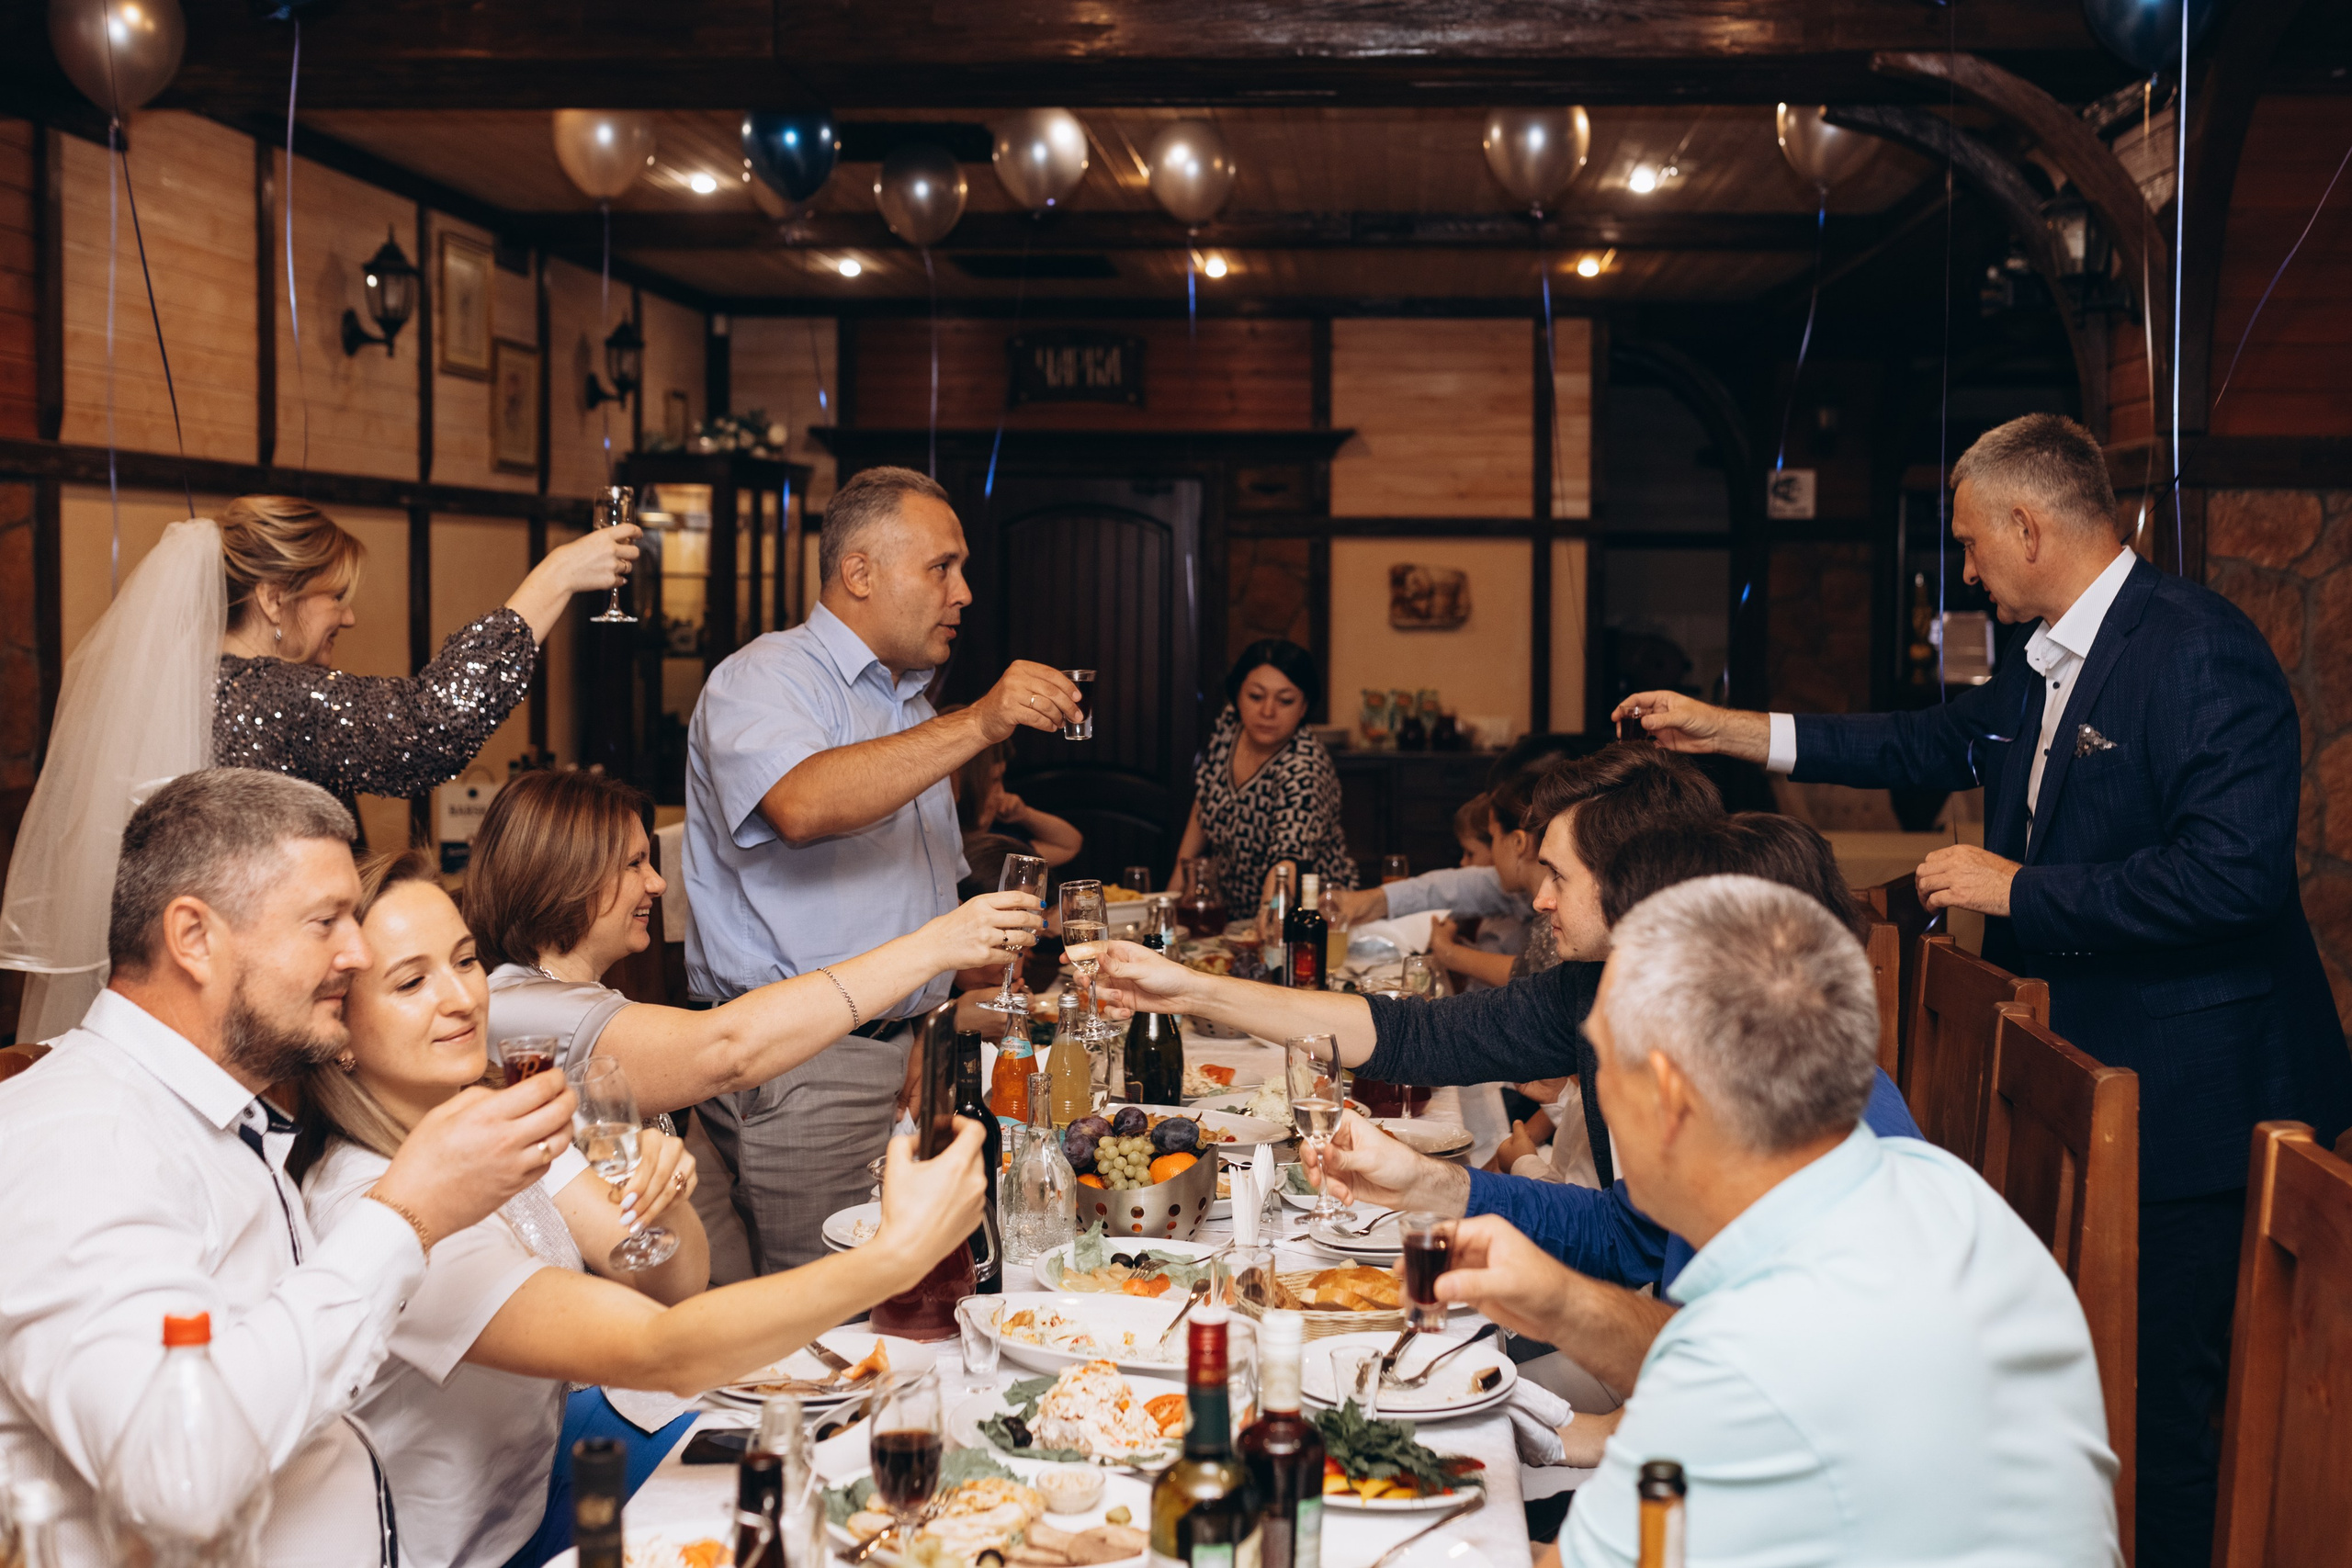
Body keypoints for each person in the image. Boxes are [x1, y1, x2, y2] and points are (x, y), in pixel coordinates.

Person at [1611, 412, 2352, 1566]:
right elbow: (1919, 746)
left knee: (2160, 1406)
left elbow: (2237, 876)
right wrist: (1733, 731)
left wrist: (2024, 890)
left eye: (1968, 542)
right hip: (2089, 1071)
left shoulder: (2194, 648)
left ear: (2027, 524)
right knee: (2103, 1380)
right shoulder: (2045, 650)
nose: (1961, 567)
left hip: (2198, 1087)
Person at [298, 851, 989, 1568]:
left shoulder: (493, 1117)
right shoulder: (373, 1207)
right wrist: (895, 1256)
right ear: (338, 1033)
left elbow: (669, 1284)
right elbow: (663, 1349)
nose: (462, 998)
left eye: (466, 961)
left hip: (539, 1488)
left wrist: (669, 1204)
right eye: (412, 981)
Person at [1447, 876, 2120, 1567]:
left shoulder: (1754, 1352)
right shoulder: (1939, 1185)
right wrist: (1561, 1305)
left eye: (1601, 1064)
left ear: (1671, 1096)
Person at [0, 768, 579, 1567]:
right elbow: (179, 1473)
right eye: (325, 922)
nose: (355, 952)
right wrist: (407, 1212)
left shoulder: (215, 1116)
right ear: (193, 937)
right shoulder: (80, 1137)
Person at [1311, 811, 1923, 1431]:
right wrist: (1427, 1184)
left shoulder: (1834, 1172)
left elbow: (1759, 1414)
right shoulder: (1771, 1099)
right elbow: (1636, 1244)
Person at [0, 497, 638, 1039]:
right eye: (335, 595)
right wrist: (554, 578)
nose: (351, 615)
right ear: (276, 600)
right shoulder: (268, 693)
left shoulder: (187, 693)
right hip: (275, 992)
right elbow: (427, 729)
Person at [683, 464, 1081, 1272]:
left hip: (897, 1052)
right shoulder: (767, 677)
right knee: (826, 1321)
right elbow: (799, 802)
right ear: (858, 572)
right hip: (804, 1065)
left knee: (902, 1309)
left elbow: (910, 892)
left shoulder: (905, 704)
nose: (963, 592)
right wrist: (980, 720)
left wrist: (923, 1026)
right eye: (942, 567)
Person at [1089, 746, 1722, 1091]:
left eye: (1558, 875)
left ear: (1627, 881)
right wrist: (1191, 988)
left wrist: (1448, 1187)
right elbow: (1414, 1034)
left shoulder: (1709, 1030)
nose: (1539, 900)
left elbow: (1624, 1243)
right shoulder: (1588, 988)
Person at [465, 769, 1041, 1116]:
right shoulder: (523, 1010)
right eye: (634, 864)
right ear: (566, 877)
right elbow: (727, 1051)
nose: (658, 884)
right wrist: (934, 945)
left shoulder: (557, 995)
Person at [1168, 638, 1357, 918]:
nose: (1267, 711)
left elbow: (1287, 864)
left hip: (1309, 916)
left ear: (1304, 707)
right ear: (1237, 696)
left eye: (1285, 700)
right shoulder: (1228, 726)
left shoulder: (1304, 764)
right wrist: (1177, 883)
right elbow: (1205, 800)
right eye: (1256, 696)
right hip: (1234, 911)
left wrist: (1269, 923)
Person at [950, 727, 1083, 867]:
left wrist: (1025, 814)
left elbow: (1069, 845)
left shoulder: (998, 844)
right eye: (994, 780)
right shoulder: (943, 851)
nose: (1001, 793)